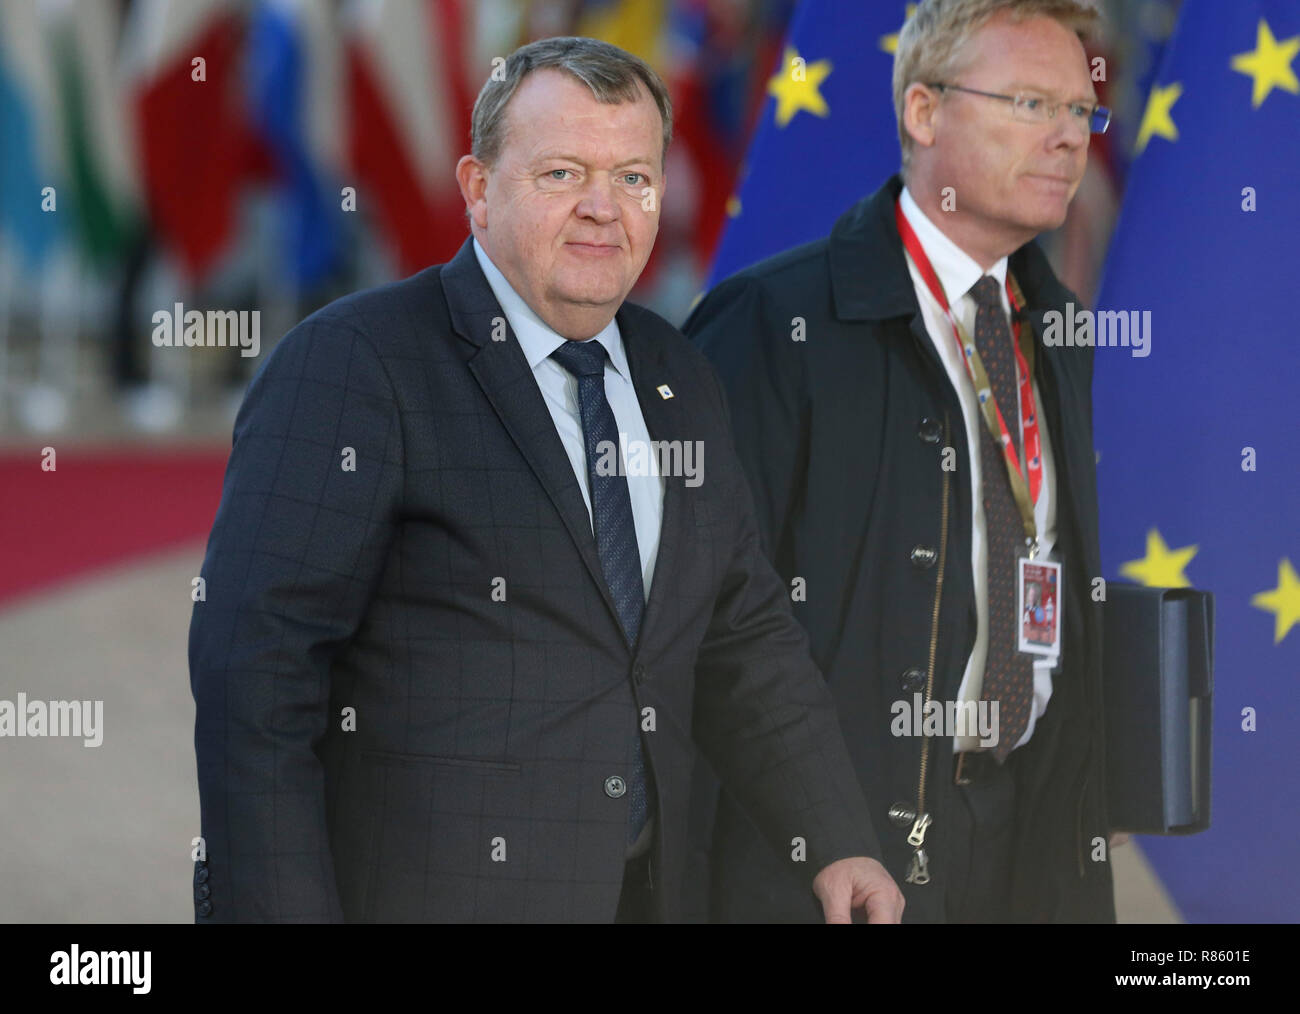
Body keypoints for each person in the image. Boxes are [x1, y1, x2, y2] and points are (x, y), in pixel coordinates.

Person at [188, 36, 903, 924]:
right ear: (479, 190)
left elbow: (740, 634)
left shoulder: (681, 378)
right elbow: (253, 677)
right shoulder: (352, 366)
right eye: (563, 174)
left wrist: (835, 837)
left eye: (635, 179)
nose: (605, 209)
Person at [685, 0, 1115, 922]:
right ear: (924, 113)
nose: (1068, 139)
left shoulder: (1060, 330)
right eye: (1031, 105)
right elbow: (700, 629)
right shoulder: (772, 321)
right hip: (820, 859)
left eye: (1081, 111)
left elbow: (1049, 585)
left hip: (1022, 833)